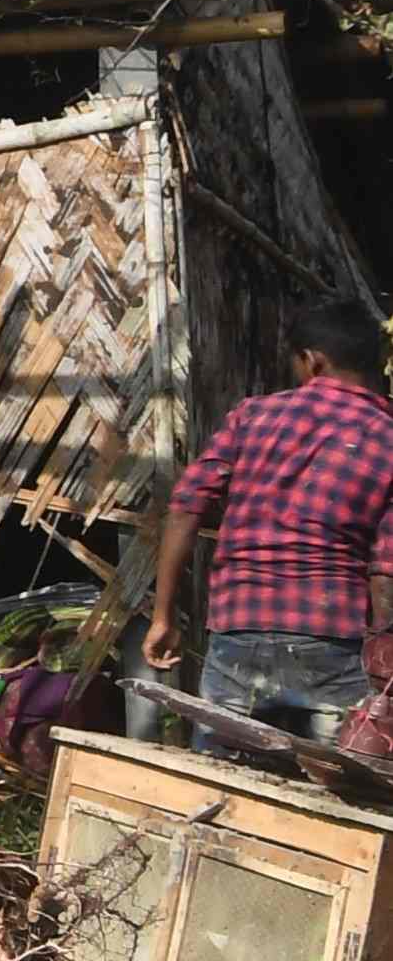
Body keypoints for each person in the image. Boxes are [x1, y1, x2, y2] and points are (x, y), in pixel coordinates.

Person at [145, 298, 393, 747]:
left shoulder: (253, 416)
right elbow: (385, 570)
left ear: (312, 360)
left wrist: (163, 616)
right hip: (333, 638)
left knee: (219, 774)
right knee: (336, 781)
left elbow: (185, 507)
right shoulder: (387, 437)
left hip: (240, 628)